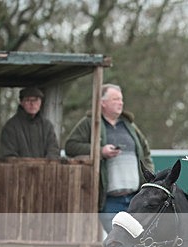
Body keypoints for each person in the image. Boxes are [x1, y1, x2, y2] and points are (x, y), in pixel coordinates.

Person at [64, 83, 153, 231]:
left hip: (134, 198)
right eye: (115, 99)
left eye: (121, 99)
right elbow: (70, 146)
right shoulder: (90, 123)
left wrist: (147, 177)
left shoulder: (129, 125)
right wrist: (100, 151)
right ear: (102, 103)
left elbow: (146, 152)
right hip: (109, 200)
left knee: (136, 243)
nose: (121, 103)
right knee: (117, 243)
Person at [0, 87, 60, 158]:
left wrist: (46, 164)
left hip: (45, 168)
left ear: (41, 102)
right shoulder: (11, 127)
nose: (32, 104)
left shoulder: (47, 126)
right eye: (28, 100)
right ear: (21, 102)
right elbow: (9, 155)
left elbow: (53, 151)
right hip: (19, 168)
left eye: (36, 100)